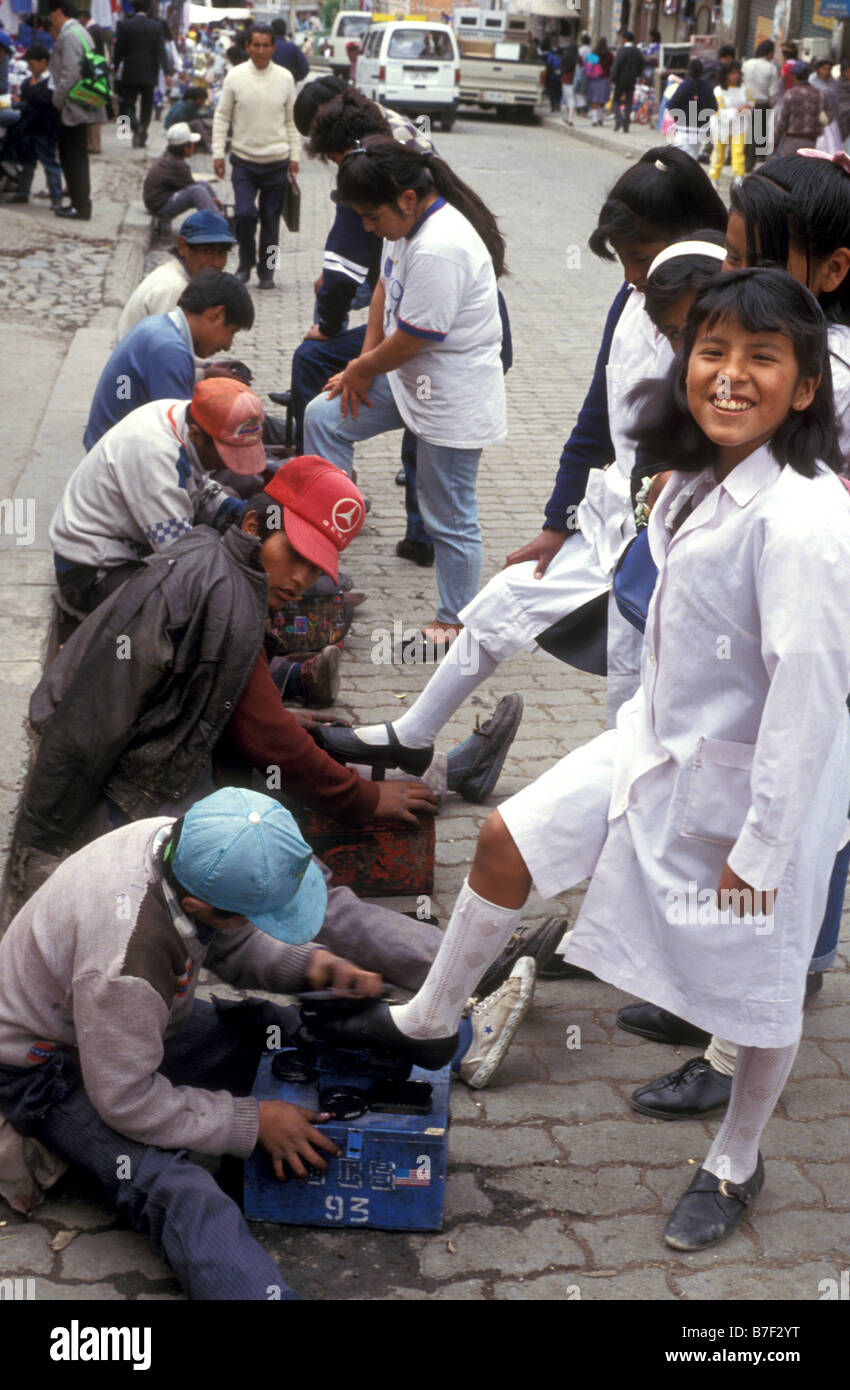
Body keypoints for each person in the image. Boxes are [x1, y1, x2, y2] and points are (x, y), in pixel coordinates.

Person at [313, 268, 850, 1254]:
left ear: (805, 385)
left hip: (756, 788)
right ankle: (434, 1015)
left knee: (756, 985)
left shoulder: (807, 524)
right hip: (656, 747)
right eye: (712, 352)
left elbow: (808, 706)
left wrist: (763, 848)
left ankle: (736, 1155)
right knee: (509, 838)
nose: (729, 376)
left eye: (760, 359)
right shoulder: (699, 477)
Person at [322, 148, 726, 773]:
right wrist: (556, 521)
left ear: (689, 245)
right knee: (502, 600)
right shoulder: (629, 304)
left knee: (635, 697)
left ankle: (627, 812)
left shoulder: (719, 326)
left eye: (641, 261)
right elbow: (596, 417)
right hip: (612, 514)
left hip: (668, 538)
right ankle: (413, 734)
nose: (632, 279)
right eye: (623, 263)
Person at [626, 150, 850, 1119]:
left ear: (831, 271)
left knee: (799, 828)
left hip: (812, 625)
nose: (735, 277)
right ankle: (731, 992)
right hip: (761, 626)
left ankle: (742, 1036)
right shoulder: (753, 351)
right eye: (729, 254)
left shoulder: (822, 369)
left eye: (757, 256)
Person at [302, 137, 508, 640]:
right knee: (322, 417)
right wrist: (362, 365)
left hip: (450, 396)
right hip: (404, 378)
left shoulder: (442, 246)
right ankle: (328, 539)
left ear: (408, 199)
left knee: (448, 512)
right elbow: (381, 288)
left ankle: (455, 620)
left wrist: (363, 369)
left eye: (373, 218)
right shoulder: (404, 227)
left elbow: (415, 339)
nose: (370, 228)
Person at [52, 378, 265, 618]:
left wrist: (249, 512)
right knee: (195, 608)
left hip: (132, 545)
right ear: (196, 435)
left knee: (237, 498)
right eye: (227, 456)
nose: (233, 466)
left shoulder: (183, 416)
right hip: (92, 572)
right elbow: (181, 559)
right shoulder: (154, 454)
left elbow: (200, 489)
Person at [84, 269, 254, 450]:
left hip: (110, 442)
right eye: (231, 333)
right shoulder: (168, 349)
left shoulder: (159, 326)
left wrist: (208, 370)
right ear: (216, 315)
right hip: (118, 454)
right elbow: (180, 436)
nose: (228, 345)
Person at [212, 24, 300, 291]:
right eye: (256, 45)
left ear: (273, 47)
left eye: (266, 45)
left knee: (271, 222)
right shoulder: (235, 77)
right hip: (243, 161)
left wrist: (294, 157)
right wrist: (218, 152)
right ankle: (244, 265)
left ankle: (267, 271)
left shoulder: (285, 78)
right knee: (244, 214)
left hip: (277, 161)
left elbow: (292, 121)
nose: (261, 51)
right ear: (247, 47)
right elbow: (222, 115)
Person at [116, 208, 236, 339]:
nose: (216, 263)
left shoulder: (180, 277)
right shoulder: (174, 289)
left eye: (222, 253)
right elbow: (165, 351)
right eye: (207, 251)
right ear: (183, 246)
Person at [48, 0, 106, 221]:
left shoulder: (69, 35)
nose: (50, 20)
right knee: (76, 156)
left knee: (73, 157)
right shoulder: (81, 32)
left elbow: (70, 73)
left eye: (51, 14)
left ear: (59, 12)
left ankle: (80, 206)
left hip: (73, 106)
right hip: (82, 103)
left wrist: (57, 99)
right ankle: (78, 203)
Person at [1, 43, 63, 209]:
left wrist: (20, 102)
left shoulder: (51, 82)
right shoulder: (29, 82)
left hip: (45, 129)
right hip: (29, 128)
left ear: (43, 62)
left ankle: (56, 198)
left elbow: (39, 101)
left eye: (32, 64)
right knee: (28, 163)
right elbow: (28, 99)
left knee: (49, 164)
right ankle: (23, 192)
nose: (30, 68)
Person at [114, 0, 170, 149]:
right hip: (150, 72)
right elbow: (161, 51)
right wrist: (167, 72)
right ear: (148, 9)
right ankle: (142, 135)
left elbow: (119, 49)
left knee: (127, 104)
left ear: (133, 8)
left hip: (130, 71)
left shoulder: (124, 25)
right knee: (146, 106)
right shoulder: (156, 26)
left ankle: (129, 130)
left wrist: (115, 65)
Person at [142, 121, 221, 219]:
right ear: (186, 148)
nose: (194, 147)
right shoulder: (177, 165)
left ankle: (220, 215)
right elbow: (193, 188)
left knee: (204, 185)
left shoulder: (170, 156)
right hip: (159, 206)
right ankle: (217, 223)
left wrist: (211, 200)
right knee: (197, 191)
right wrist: (211, 201)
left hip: (161, 199)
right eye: (192, 144)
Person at [708, 59, 750, 186]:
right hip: (721, 127)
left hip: (739, 126)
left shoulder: (744, 89)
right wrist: (737, 110)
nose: (736, 76)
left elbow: (750, 105)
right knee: (719, 154)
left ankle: (738, 177)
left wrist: (744, 110)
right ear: (725, 75)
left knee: (738, 153)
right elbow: (718, 111)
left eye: (737, 73)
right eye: (732, 73)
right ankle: (714, 177)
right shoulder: (718, 91)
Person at [667, 58, 717, 160]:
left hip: (683, 130)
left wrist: (677, 119)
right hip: (700, 132)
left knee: (681, 162)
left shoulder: (684, 86)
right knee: (692, 160)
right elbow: (714, 108)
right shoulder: (708, 87)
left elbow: (671, 105)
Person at [742, 38, 779, 169]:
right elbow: (773, 90)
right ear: (768, 53)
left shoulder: (746, 64)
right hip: (763, 103)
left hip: (746, 103)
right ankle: (758, 161)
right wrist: (772, 102)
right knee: (761, 133)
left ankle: (745, 159)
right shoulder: (771, 68)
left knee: (746, 132)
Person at [774, 62, 826, 156]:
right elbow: (827, 116)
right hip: (812, 142)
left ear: (794, 76)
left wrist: (775, 142)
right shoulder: (819, 93)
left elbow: (782, 122)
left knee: (789, 169)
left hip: (792, 142)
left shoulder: (790, 94)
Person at [610, 30, 644, 134]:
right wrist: (637, 75)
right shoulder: (637, 51)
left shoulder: (622, 51)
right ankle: (626, 125)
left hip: (620, 80)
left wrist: (613, 79)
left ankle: (619, 119)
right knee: (629, 102)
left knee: (616, 101)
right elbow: (641, 66)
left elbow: (616, 66)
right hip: (632, 80)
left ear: (625, 39)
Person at [271, 16, 309, 84]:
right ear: (285, 30)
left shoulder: (265, 48)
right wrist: (293, 79)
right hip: (288, 87)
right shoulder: (293, 48)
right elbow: (305, 69)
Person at [583, 40, 610, 126]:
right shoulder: (609, 55)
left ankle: (594, 120)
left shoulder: (593, 54)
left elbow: (586, 66)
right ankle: (600, 118)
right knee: (602, 100)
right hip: (605, 79)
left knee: (594, 99)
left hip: (593, 79)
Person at [560, 39, 581, 127]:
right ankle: (570, 118)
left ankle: (567, 117)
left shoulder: (565, 55)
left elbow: (561, 67)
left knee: (566, 98)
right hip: (575, 81)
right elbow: (582, 67)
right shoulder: (578, 57)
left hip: (565, 80)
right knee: (572, 99)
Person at [543, 44, 562, 114]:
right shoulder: (562, 59)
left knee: (552, 92)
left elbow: (548, 68)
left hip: (552, 78)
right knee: (559, 92)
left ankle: (553, 106)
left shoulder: (552, 58)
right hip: (559, 79)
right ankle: (558, 106)